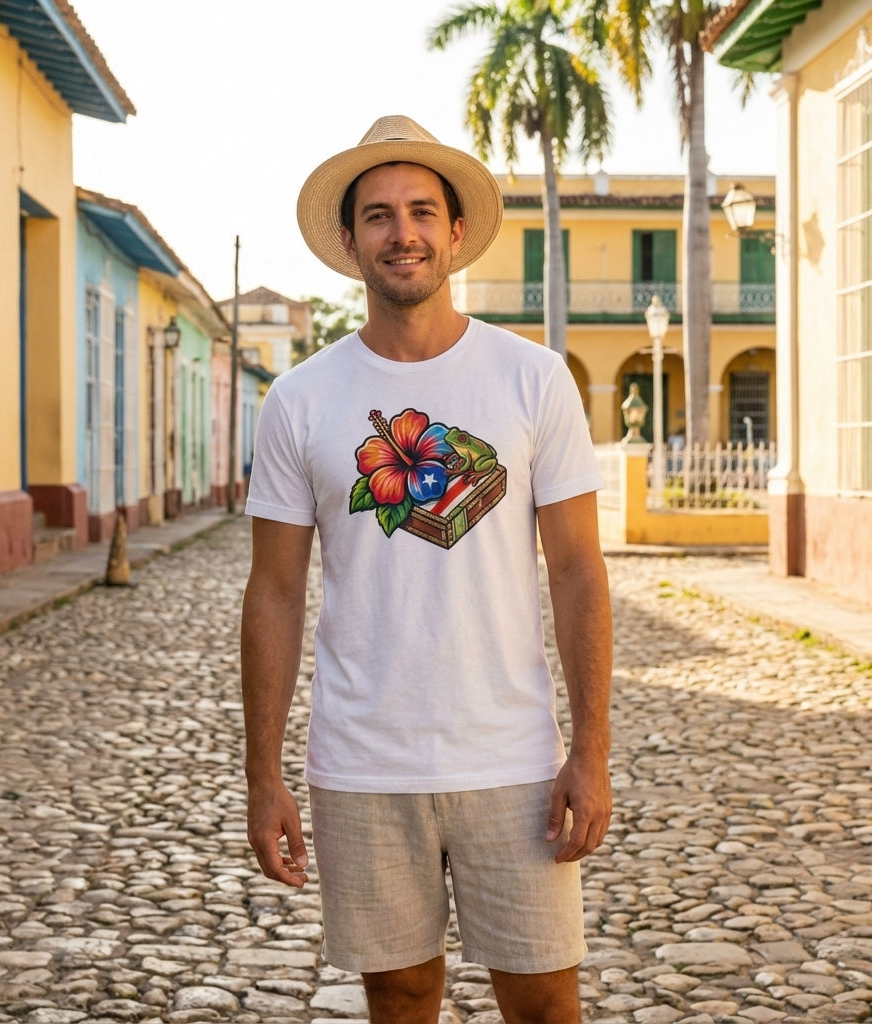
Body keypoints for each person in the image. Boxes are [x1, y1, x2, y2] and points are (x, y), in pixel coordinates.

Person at [240, 114, 613, 1024]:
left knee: (543, 1001)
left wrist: (591, 754)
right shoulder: (300, 400)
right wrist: (263, 774)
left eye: (419, 211)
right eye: (377, 215)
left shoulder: (533, 379)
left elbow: (576, 572)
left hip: (512, 759)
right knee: (400, 998)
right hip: (363, 765)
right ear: (348, 241)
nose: (400, 232)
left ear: (453, 233)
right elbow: (276, 590)